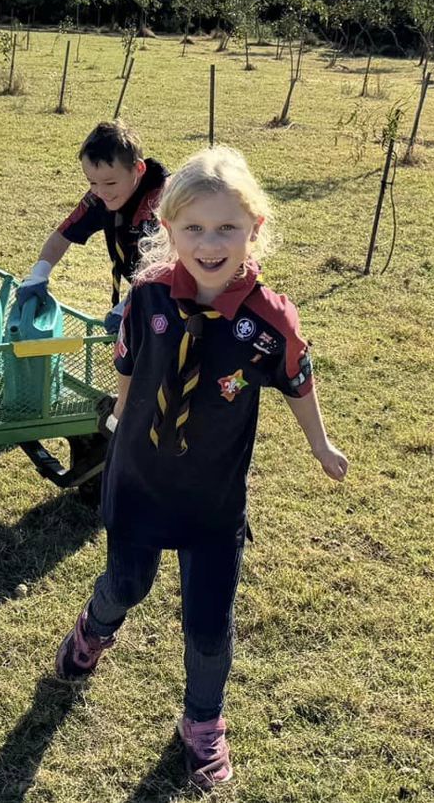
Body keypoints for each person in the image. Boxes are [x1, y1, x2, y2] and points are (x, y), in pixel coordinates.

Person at [51, 146, 348, 790]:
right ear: (168, 228)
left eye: (226, 228)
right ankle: (93, 628)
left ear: (254, 229)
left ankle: (203, 720)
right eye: (194, 228)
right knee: (126, 584)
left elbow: (297, 380)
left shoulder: (269, 320)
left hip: (213, 501)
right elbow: (128, 364)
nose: (209, 244)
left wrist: (321, 446)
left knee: (210, 622)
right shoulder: (149, 295)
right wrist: (116, 417)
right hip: (139, 481)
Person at [14, 120, 167, 334]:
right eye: (92, 182)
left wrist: (130, 304)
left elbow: (161, 260)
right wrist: (39, 275)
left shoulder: (165, 201)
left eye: (110, 183)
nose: (101, 191)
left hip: (178, 297)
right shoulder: (101, 197)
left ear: (138, 169)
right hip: (145, 290)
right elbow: (63, 235)